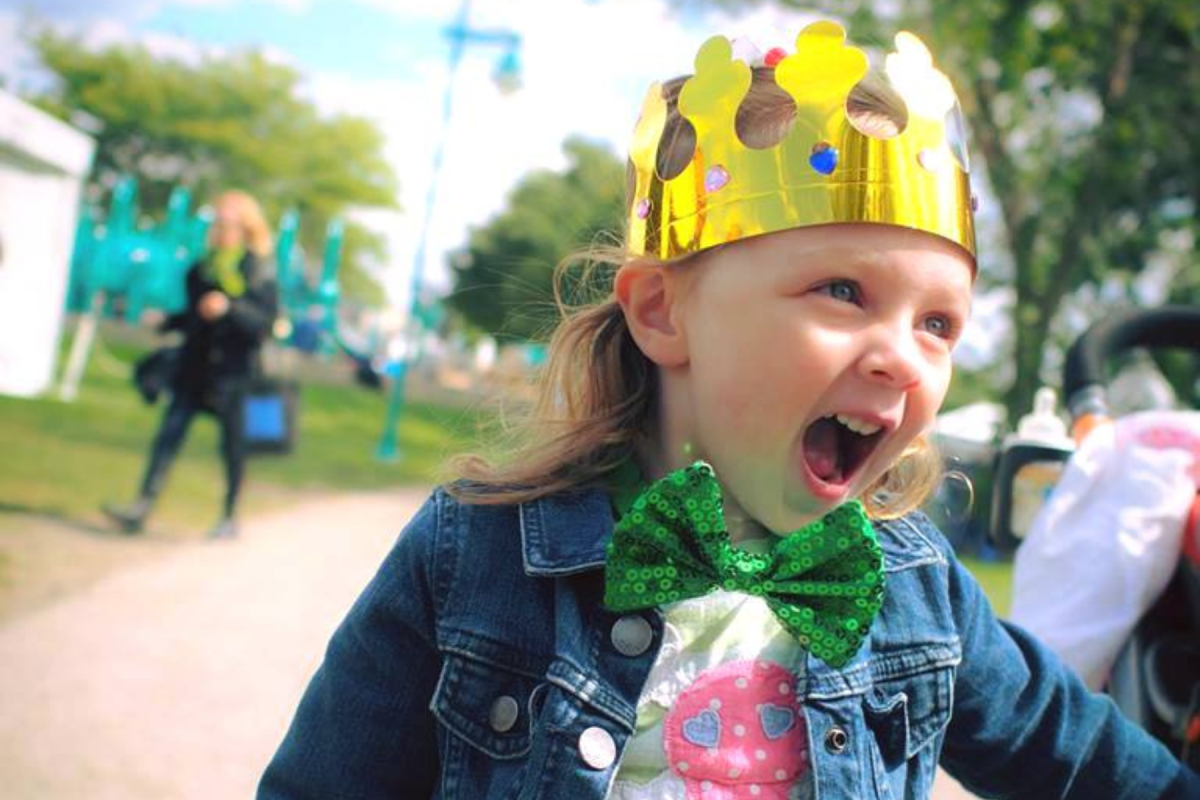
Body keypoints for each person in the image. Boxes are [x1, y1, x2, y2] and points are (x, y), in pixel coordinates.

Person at [258, 22, 1199, 800]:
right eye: (842, 290)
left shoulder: (919, 588)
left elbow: (1091, 766)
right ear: (666, 312)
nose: (903, 356)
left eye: (940, 324)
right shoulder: (475, 557)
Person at [105, 189, 278, 540]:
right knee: (168, 435)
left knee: (233, 447)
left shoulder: (258, 270)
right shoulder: (202, 267)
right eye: (216, 220)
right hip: (195, 369)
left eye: (227, 221)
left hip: (235, 374)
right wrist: (168, 321)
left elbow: (265, 324)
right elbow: (194, 316)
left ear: (246, 226)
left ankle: (229, 516)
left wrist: (229, 308)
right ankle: (142, 506)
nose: (219, 227)